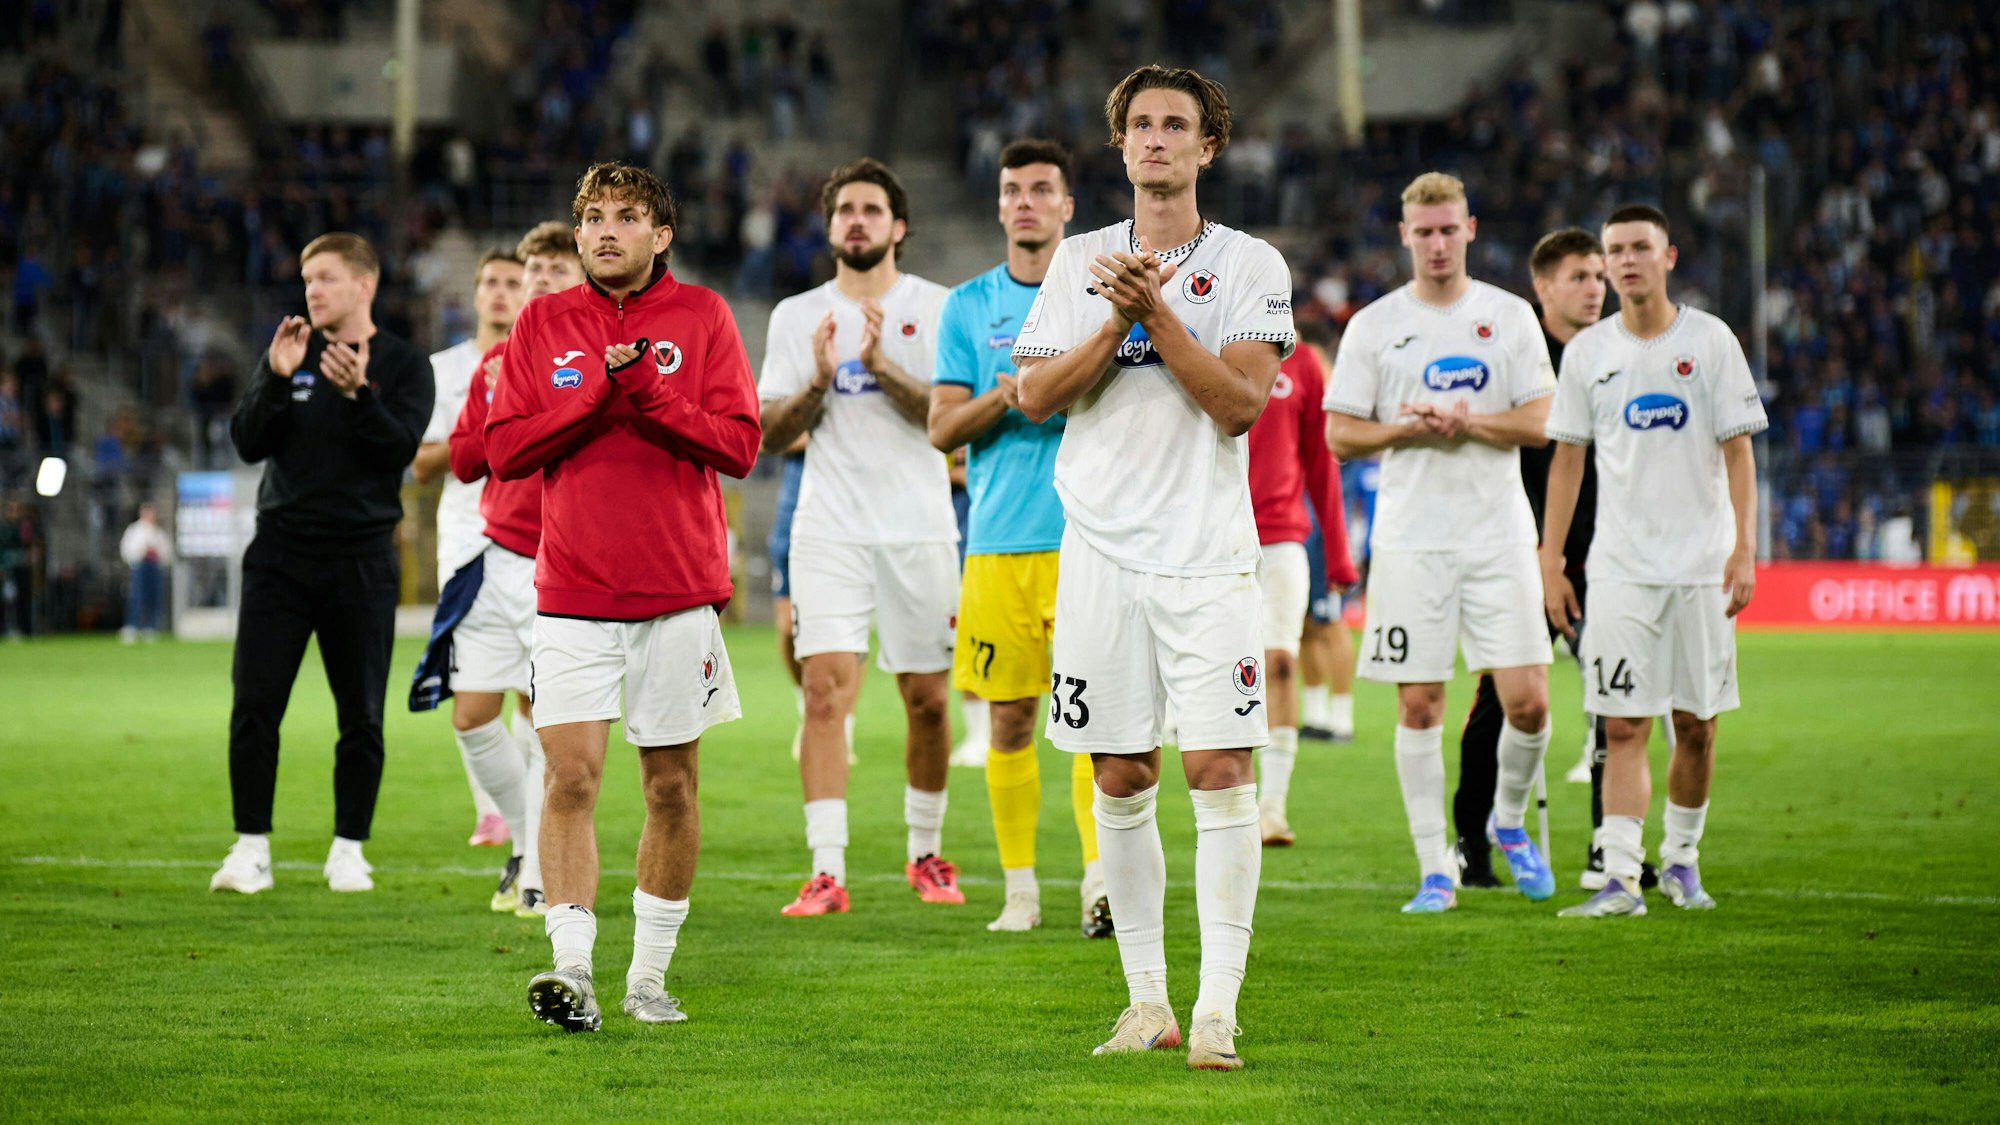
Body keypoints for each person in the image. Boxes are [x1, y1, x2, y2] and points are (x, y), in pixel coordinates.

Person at [1014, 65, 1293, 1070]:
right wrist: (1115, 316)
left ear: (1207, 148)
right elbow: (1036, 396)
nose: (1158, 139)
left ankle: (1216, 1008)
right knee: (1118, 773)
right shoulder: (1077, 258)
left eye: (1177, 125)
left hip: (1204, 557)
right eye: (1141, 125)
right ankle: (1147, 1004)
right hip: (1095, 553)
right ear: (1120, 146)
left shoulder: (1253, 265)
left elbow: (1238, 405)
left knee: (1219, 768)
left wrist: (1159, 315)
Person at [488, 162, 759, 1030]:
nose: (607, 230)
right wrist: (602, 395)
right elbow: (506, 451)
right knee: (569, 775)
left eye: (628, 216)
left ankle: (648, 976)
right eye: (594, 217)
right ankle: (572, 968)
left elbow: (739, 445)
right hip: (570, 592)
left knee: (671, 787)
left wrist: (647, 390)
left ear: (661, 234)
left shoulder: (704, 316)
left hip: (679, 593)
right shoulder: (542, 322)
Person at [1322, 172, 1558, 914]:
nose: (1436, 243)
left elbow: (1543, 420)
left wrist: (1468, 421)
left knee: (1528, 702)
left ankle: (1508, 820)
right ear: (1404, 236)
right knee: (1419, 705)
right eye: (1423, 231)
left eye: (1448, 229)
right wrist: (1407, 426)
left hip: (1497, 536)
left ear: (1470, 229)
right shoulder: (1374, 325)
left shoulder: (1510, 315)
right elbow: (1339, 435)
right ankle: (1434, 868)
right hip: (1411, 542)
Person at [1542, 204, 1766, 918]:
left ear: (1668, 258)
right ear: (1606, 264)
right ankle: (1618, 877)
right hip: (1619, 569)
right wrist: (1551, 558)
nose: (1628, 259)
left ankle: (1682, 860)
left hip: (1701, 567)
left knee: (1696, 723)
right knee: (1622, 725)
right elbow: (1567, 462)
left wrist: (1744, 546)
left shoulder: (1711, 341)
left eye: (1642, 246)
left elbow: (1739, 451)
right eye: (1616, 249)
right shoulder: (1587, 354)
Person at [758, 158, 961, 917]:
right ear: (830, 224)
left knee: (929, 701)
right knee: (822, 692)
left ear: (898, 227)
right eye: (845, 209)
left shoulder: (942, 309)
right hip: (830, 527)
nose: (857, 220)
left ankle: (925, 852)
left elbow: (946, 422)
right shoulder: (795, 316)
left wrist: (882, 368)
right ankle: (827, 868)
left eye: (872, 209)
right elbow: (771, 435)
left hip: (919, 527)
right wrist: (817, 382)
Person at [211, 233, 435, 896]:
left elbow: (397, 452)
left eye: (327, 277)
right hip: (279, 555)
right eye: (308, 278)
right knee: (255, 703)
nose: (312, 289)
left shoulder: (401, 364)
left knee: (361, 712)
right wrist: (276, 380)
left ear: (364, 284)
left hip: (361, 559)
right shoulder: (290, 350)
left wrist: (362, 393)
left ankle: (349, 849)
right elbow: (249, 440)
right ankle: (251, 848)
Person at [926, 138, 1110, 937]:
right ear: (1000, 206)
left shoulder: (1099, 295)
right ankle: (1022, 889)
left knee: (1094, 720)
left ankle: (1100, 883)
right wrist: (1014, 397)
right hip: (997, 543)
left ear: (1068, 206)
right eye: (1014, 190)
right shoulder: (968, 305)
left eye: (1043, 189)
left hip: (1085, 538)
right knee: (1008, 722)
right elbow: (941, 428)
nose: (1027, 201)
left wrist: (1048, 390)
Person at [442, 221, 587, 920]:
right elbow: (470, 459)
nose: (537, 279)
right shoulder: (498, 361)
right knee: (471, 717)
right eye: (532, 268)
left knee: (544, 724)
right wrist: (499, 393)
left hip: (559, 562)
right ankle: (526, 842)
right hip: (495, 553)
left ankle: (534, 870)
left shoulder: (589, 357)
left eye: (555, 268)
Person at [409, 248, 528, 872]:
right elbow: (428, 463)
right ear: (476, 294)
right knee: (474, 696)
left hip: (536, 542)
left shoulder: (546, 358)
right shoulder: (446, 368)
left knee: (535, 699)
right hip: (468, 543)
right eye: (493, 282)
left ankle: (531, 846)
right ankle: (503, 814)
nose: (504, 292)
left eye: (516, 281)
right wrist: (479, 417)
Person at [1247, 340, 1356, 847]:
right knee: (1218, 673)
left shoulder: (1304, 362)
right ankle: (1230, 803)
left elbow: (1319, 460)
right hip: (1210, 536)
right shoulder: (1201, 337)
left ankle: (1273, 806)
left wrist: (1337, 552)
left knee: (1280, 664)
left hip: (1284, 539)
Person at [1293, 323, 1358, 744]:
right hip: (1295, 515)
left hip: (1320, 517)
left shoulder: (1312, 369)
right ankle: (1315, 714)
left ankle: (1343, 716)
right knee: (1302, 622)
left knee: (1330, 619)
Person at [119, 501, 171, 642]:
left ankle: (151, 627)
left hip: (155, 567)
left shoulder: (158, 532)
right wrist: (142, 552)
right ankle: (132, 626)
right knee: (137, 597)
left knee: (154, 598)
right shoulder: (134, 530)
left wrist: (157, 553)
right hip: (140, 567)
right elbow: (126, 550)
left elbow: (167, 552)